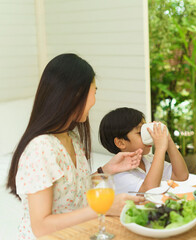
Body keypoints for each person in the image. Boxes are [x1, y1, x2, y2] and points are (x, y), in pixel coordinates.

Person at [6, 53, 145, 239]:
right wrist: (102, 208)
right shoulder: (40, 149)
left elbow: (71, 191)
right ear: (76, 94)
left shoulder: (70, 137)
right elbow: (41, 227)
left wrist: (107, 169)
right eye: (94, 92)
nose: (94, 101)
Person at [99, 107, 189, 194]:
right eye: (140, 133)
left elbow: (181, 175)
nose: (148, 136)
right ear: (121, 143)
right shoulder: (117, 173)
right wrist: (160, 148)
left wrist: (168, 140)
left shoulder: (148, 160)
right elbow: (148, 191)